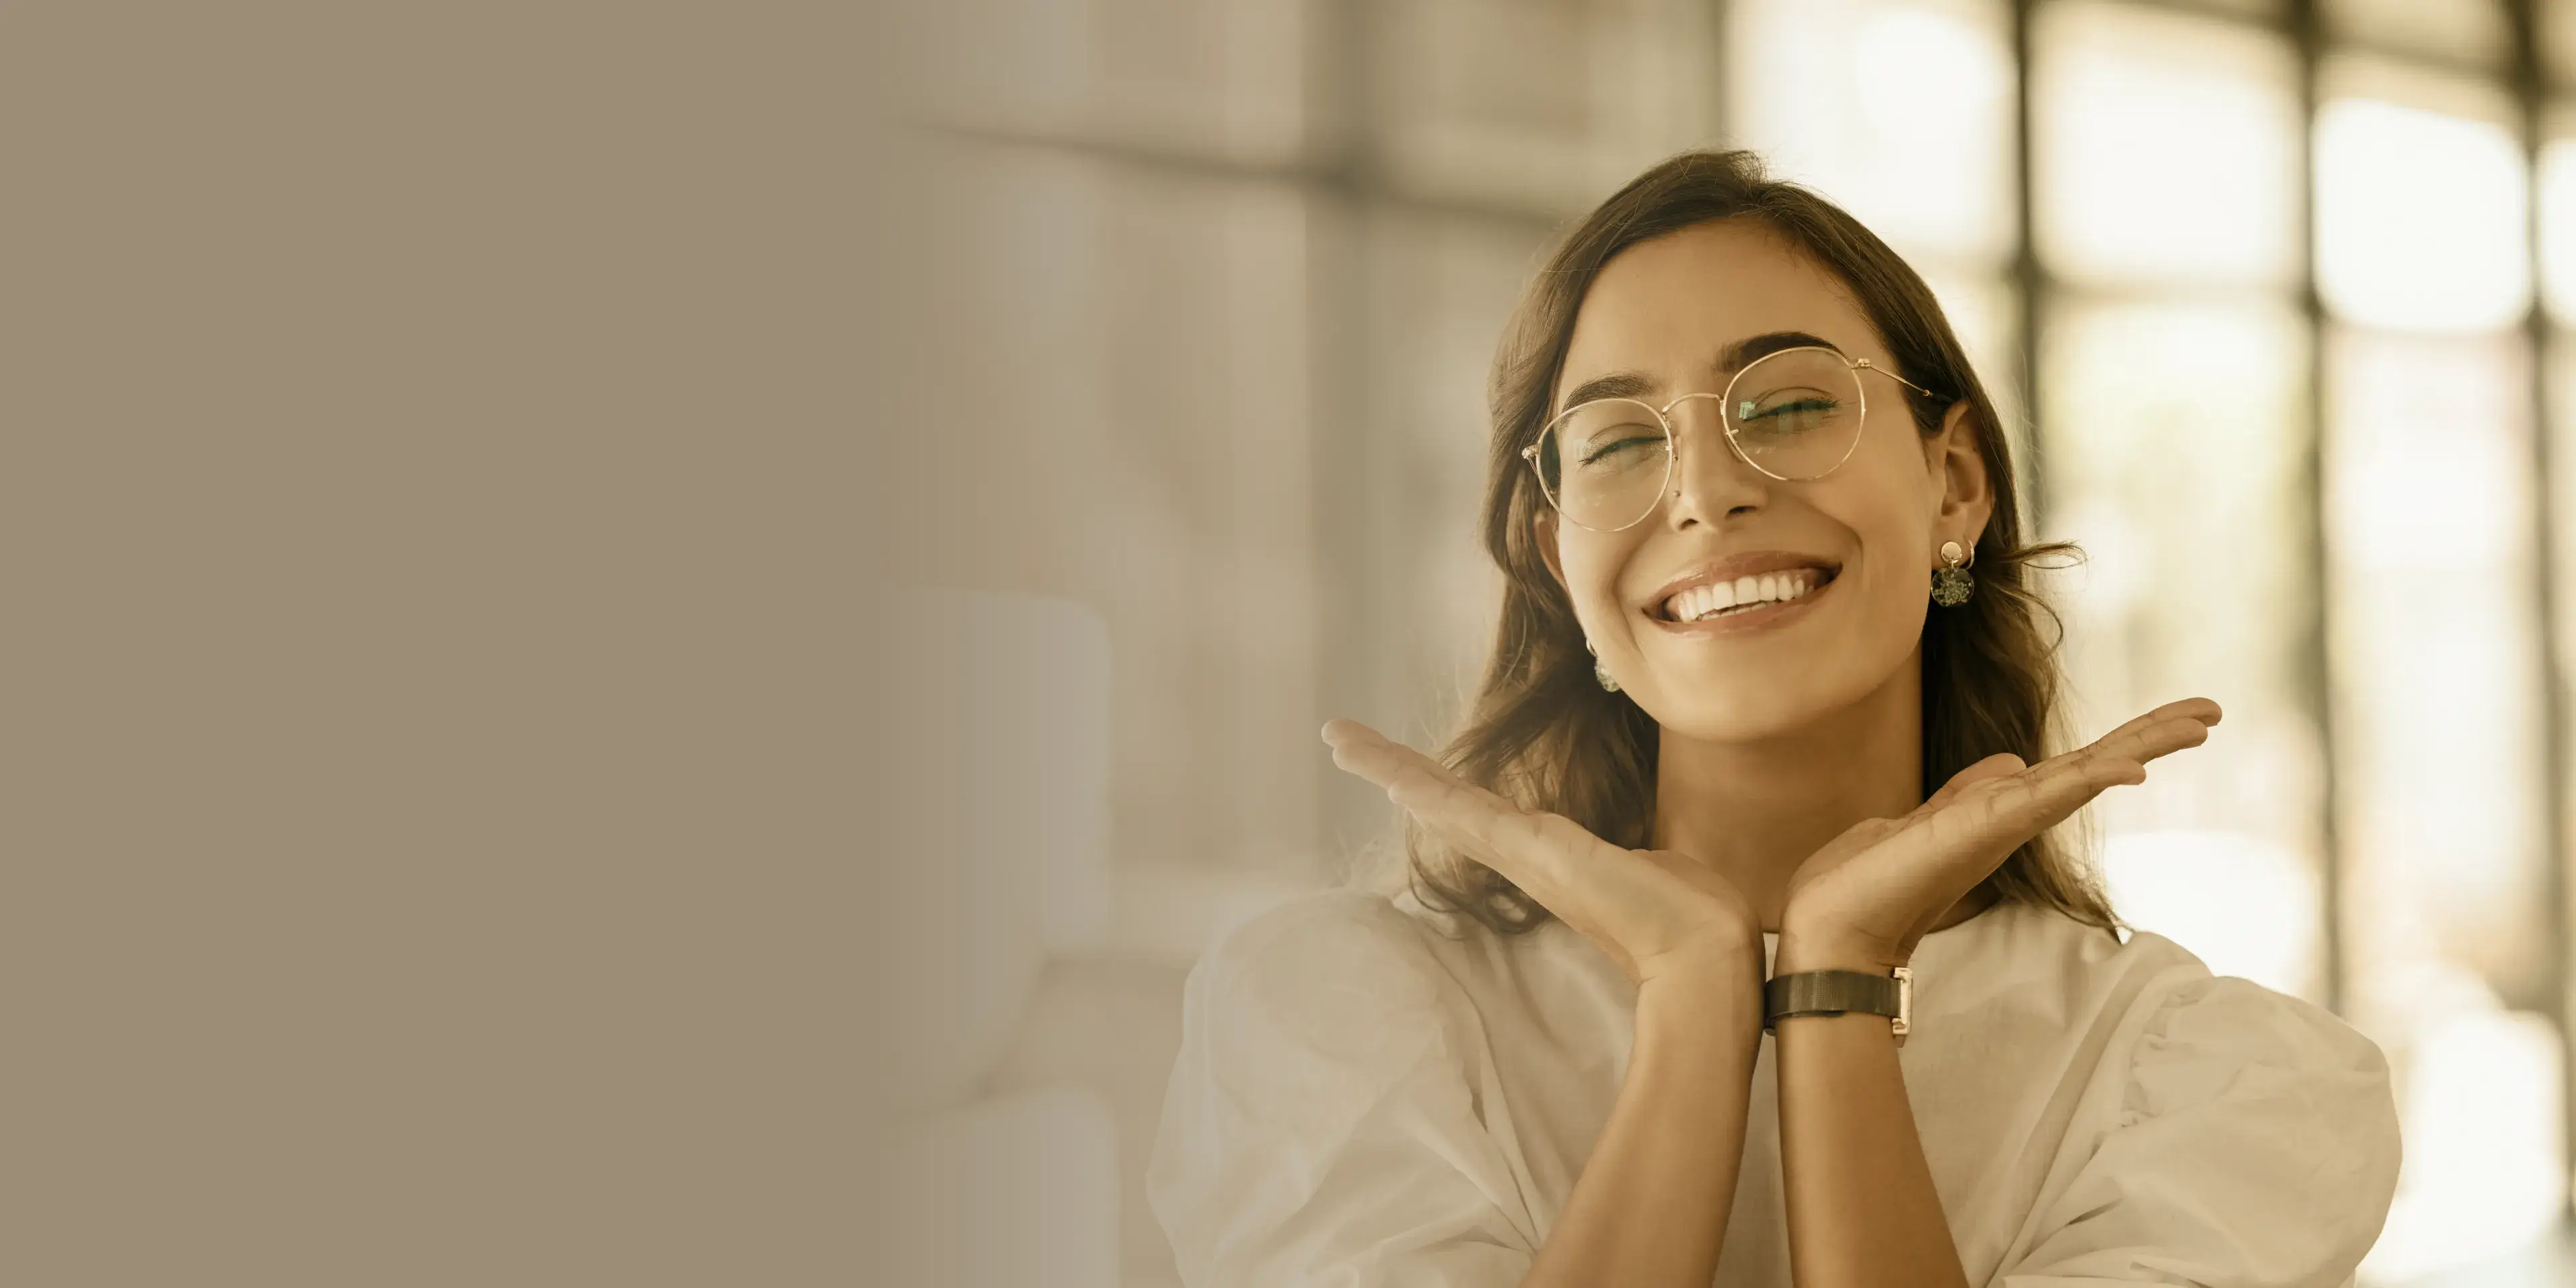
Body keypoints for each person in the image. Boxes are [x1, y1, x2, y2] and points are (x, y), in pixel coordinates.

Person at [1144, 149, 2400, 1287]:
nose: (1704, 492)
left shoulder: (2211, 1088)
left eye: (1791, 406)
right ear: (1557, 558)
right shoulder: (1336, 1024)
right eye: (1618, 442)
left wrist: (1838, 983)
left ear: (1953, 484)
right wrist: (1694, 998)